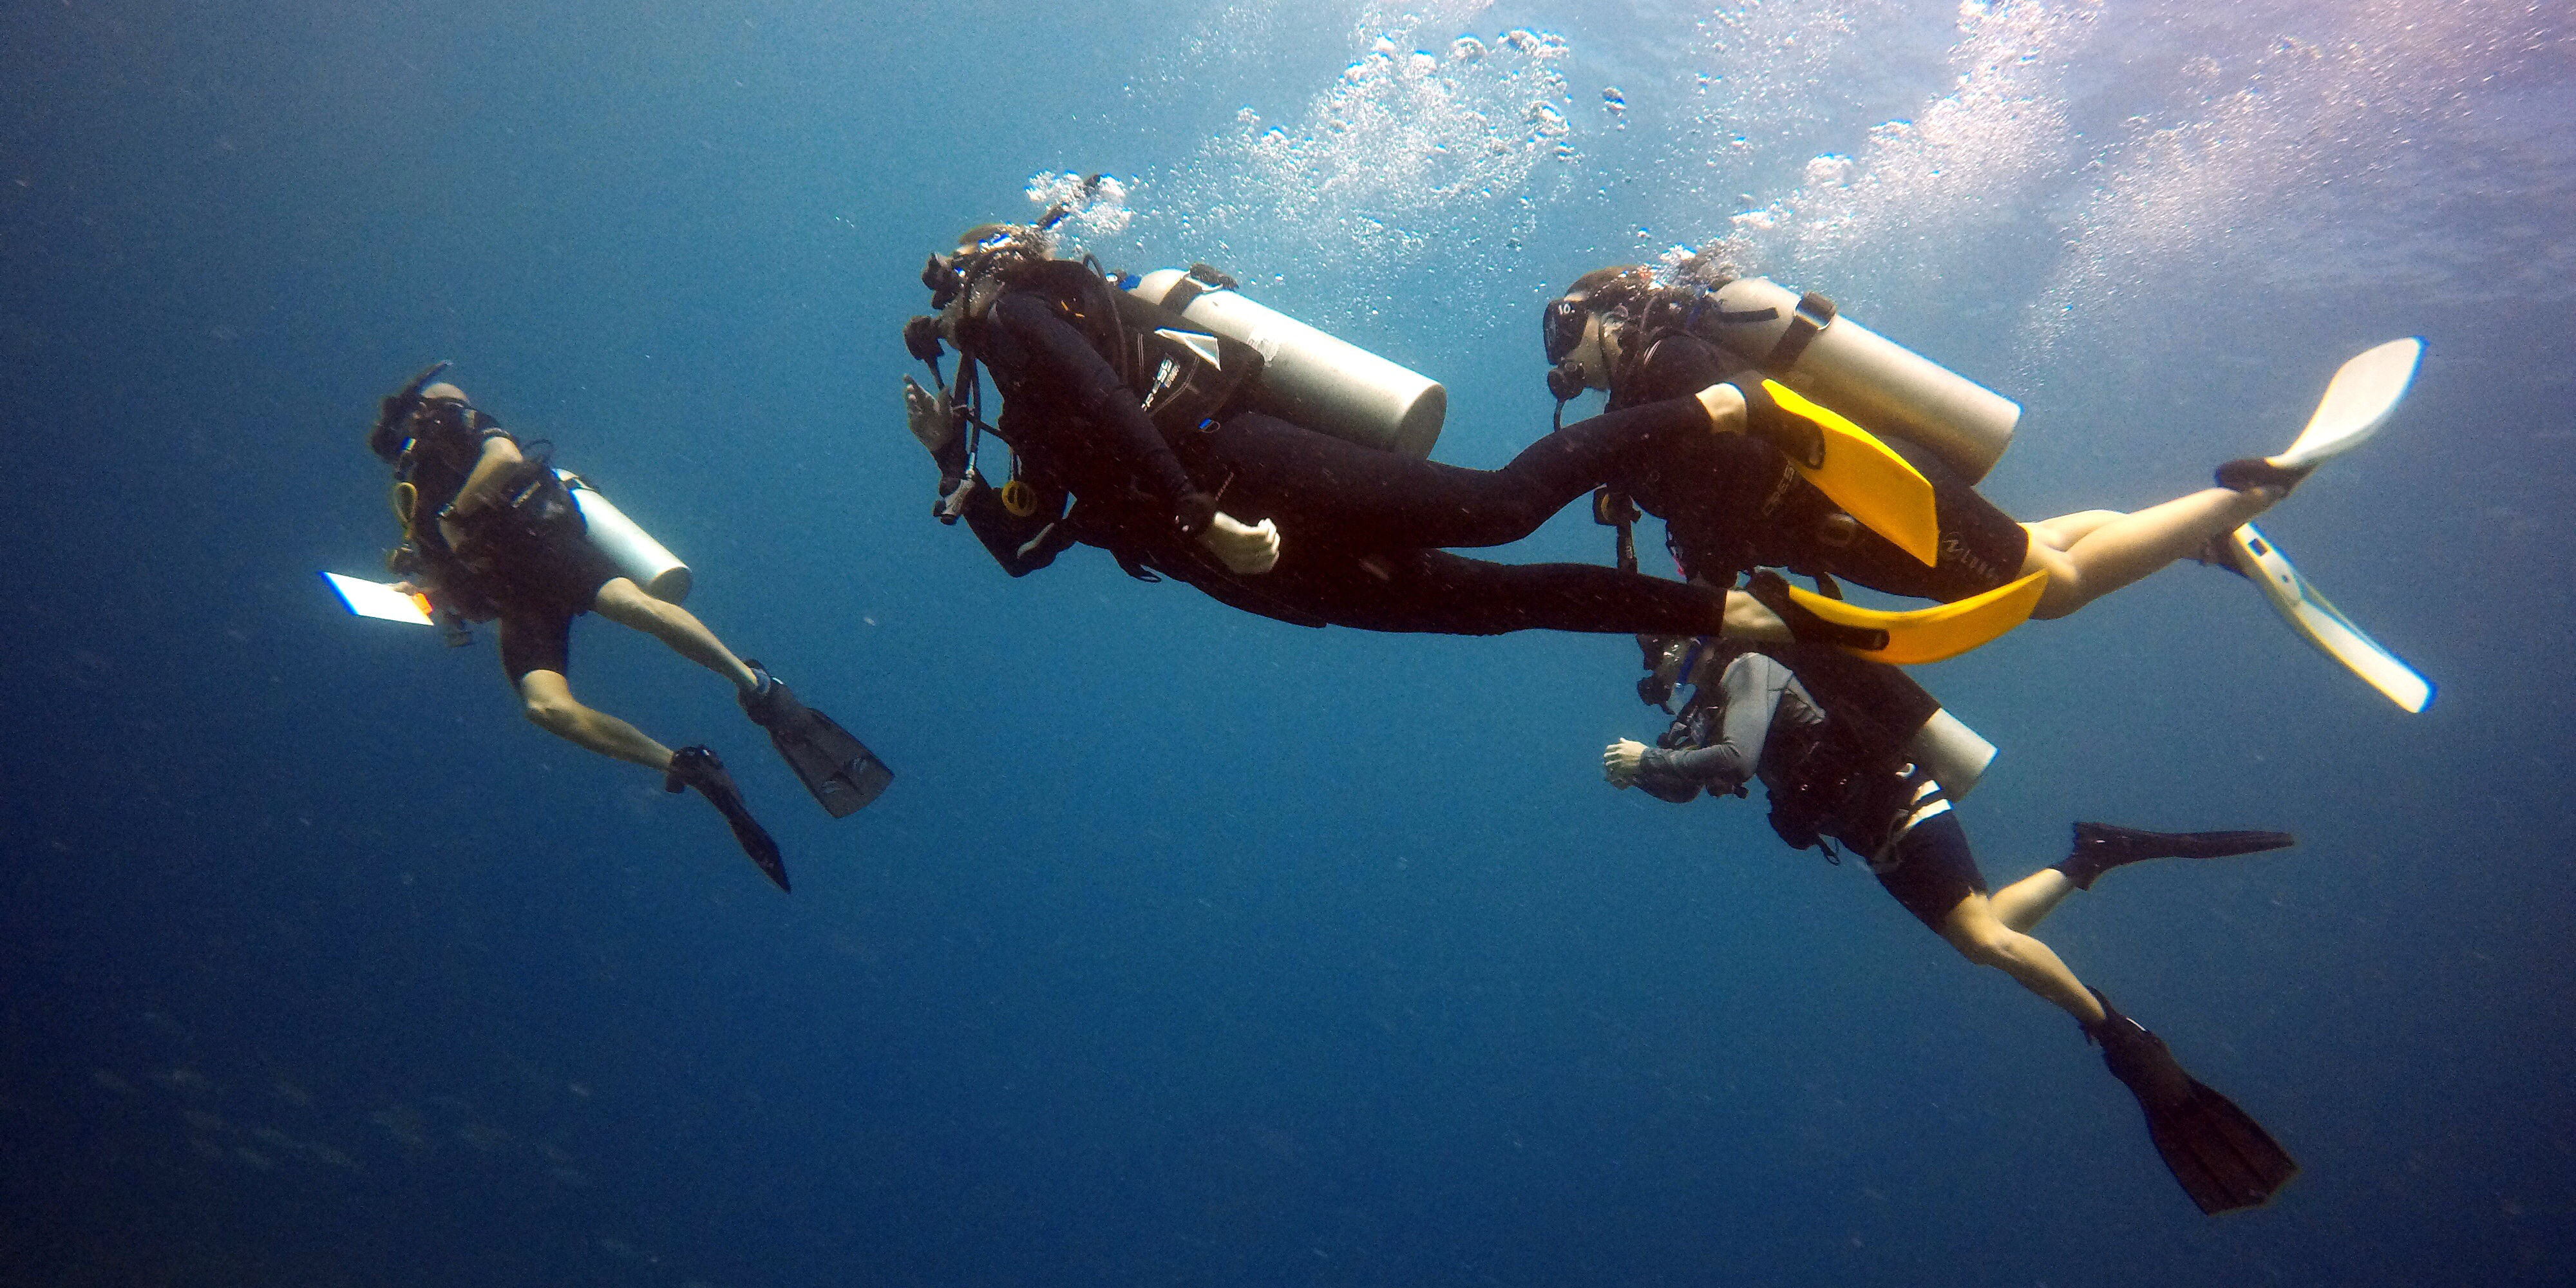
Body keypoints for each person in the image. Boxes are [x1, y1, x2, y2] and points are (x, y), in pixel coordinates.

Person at [896, 222, 2000, 654]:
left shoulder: (1018, 313)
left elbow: (1107, 392)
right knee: (1501, 606)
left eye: (946, 299)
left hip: (1242, 471)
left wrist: (1194, 511)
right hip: (1257, 564)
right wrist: (953, 457)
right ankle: (1740, 615)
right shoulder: (1014, 410)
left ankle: (1727, 407)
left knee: (1496, 511)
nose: (946, 327)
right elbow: (1025, 547)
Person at [1599, 635, 2301, 1212]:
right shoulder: (1723, 699)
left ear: (1695, 646)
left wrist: (1648, 757)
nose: (1656, 668)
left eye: (1658, 652)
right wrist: (1646, 771)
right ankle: (2091, 855)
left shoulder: (1750, 669)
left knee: (1983, 939)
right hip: (1880, 839)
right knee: (1983, 933)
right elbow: (1693, 782)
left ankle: (2120, 1033)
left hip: (1904, 807)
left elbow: (1733, 759)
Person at [1540, 264, 2318, 620]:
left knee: (2054, 590)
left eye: (1565, 324)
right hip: (1853, 516)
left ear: (1611, 310)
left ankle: (2243, 496)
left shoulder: (1667, 357)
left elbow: (1743, 440)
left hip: (1870, 496)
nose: (1560, 352)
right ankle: (2208, 542)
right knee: (2034, 543)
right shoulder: (1649, 383)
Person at [366, 363, 887, 890]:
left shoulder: (455, 425)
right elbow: (446, 579)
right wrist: (427, 598)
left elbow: (504, 458)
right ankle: (689, 767)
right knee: (545, 708)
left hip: (543, 548)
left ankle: (759, 688)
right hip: (517, 597)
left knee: (636, 608)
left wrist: (456, 512)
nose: (410, 435)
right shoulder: (414, 505)